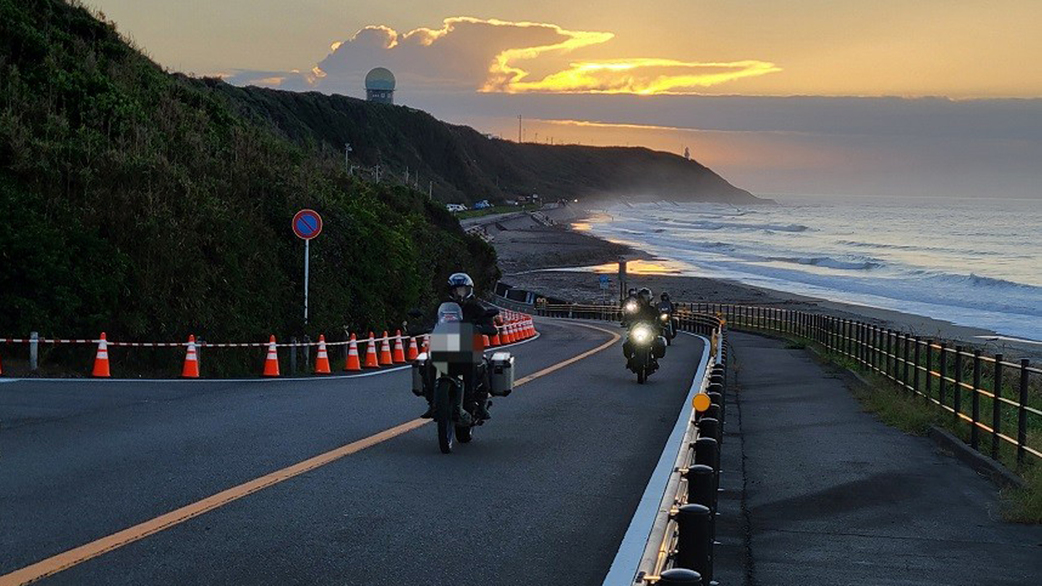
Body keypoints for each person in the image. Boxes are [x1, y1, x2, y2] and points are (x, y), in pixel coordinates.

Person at [412, 273, 498, 421]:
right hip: (444, 343)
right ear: (451, 291)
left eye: (463, 290)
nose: (460, 293)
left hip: (469, 344)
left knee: (481, 365)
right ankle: (432, 401)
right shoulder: (442, 307)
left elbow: (489, 325)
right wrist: (421, 326)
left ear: (469, 290)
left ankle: (480, 404)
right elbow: (430, 320)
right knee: (428, 363)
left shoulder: (475, 307)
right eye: (456, 290)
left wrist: (484, 326)